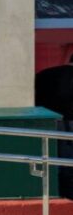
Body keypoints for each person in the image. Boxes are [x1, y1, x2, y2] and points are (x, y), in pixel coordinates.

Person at [35, 53, 73, 200]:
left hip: (44, 123)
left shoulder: (44, 74)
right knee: (68, 163)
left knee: (50, 160)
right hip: (68, 124)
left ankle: (55, 192)